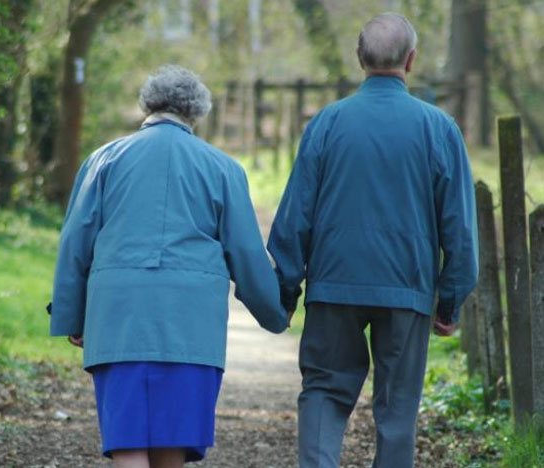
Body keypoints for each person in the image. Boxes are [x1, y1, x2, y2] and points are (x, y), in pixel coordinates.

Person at [49, 64, 289, 468]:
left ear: (148, 104)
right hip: (190, 328)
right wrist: (275, 312)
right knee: (171, 442)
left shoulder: (103, 160)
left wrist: (73, 316)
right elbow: (246, 254)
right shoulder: (223, 168)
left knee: (127, 439)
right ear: (196, 112)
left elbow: (76, 243)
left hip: (119, 321)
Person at [267, 13, 478, 468]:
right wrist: (450, 301)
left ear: (359, 58)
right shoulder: (439, 128)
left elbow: (295, 215)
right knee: (398, 408)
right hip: (407, 287)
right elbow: (459, 227)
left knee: (323, 390)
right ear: (411, 59)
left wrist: (285, 290)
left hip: (334, 285)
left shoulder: (327, 123)